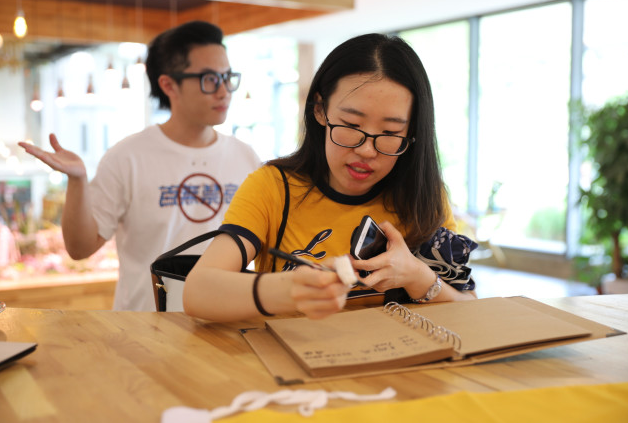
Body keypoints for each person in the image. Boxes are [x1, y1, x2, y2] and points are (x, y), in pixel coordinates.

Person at [183, 33, 476, 323]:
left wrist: (417, 276)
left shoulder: (423, 195)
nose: (366, 150)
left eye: (390, 132)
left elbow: (471, 310)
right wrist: (288, 289)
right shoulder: (273, 187)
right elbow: (197, 293)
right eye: (351, 124)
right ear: (320, 110)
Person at [19, 21, 261, 311]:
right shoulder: (127, 157)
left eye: (227, 77)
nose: (224, 91)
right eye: (210, 79)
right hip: (145, 327)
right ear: (168, 84)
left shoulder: (246, 158)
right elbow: (80, 248)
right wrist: (78, 181)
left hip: (226, 322)